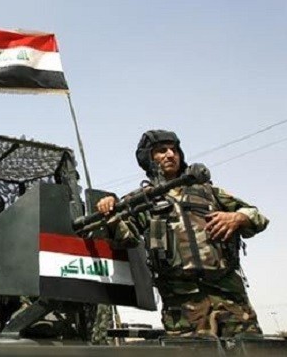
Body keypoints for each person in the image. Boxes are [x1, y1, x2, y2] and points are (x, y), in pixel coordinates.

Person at [96, 130, 268, 337]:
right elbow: (125, 239)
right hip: (183, 306)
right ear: (148, 158)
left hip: (230, 298)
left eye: (174, 150)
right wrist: (111, 212)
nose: (170, 155)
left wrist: (238, 218)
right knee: (192, 351)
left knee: (251, 348)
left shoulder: (207, 191)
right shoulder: (141, 200)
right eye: (162, 151)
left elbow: (257, 216)